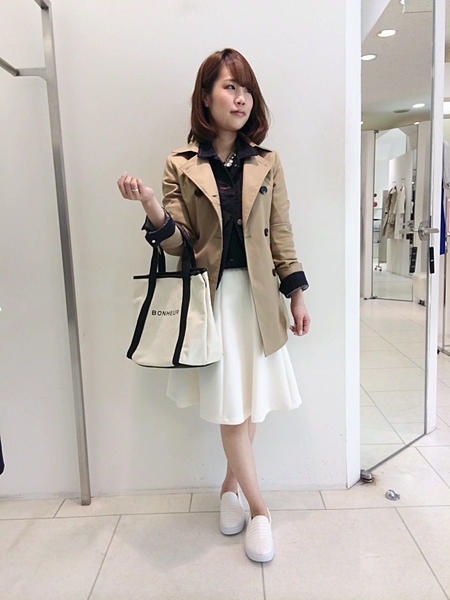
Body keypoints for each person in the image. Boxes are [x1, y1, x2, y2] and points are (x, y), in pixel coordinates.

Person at [117, 48, 310, 563]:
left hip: (260, 300)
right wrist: (150, 204)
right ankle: (261, 511)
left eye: (246, 89)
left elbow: (281, 235)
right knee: (232, 409)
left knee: (249, 402)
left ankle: (229, 490)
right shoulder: (180, 164)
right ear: (206, 97)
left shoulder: (268, 161)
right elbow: (176, 242)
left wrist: (296, 293)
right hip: (213, 299)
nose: (240, 98)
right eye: (229, 87)